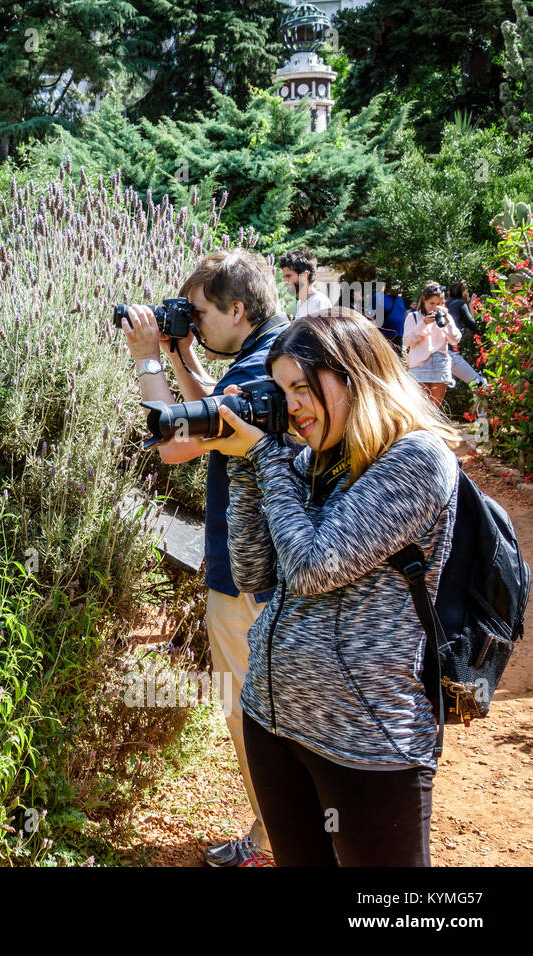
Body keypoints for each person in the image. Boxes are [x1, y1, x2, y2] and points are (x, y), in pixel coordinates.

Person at [205, 307, 460, 866]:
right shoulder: (312, 458)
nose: (290, 405)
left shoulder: (416, 459)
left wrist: (266, 460)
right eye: (281, 389)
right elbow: (255, 573)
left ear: (356, 376)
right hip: (274, 723)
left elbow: (313, 567)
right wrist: (248, 468)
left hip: (365, 740)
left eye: (302, 386)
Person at [120, 249, 290, 867]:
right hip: (282, 565)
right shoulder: (276, 353)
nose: (190, 322)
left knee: (251, 716)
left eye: (198, 313)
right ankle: (283, 833)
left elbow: (177, 444)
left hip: (249, 574)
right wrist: (184, 356)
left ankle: (277, 842)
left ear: (236, 308)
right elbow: (218, 418)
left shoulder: (261, 368)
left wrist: (147, 358)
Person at [404, 281, 463, 407]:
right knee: (421, 408)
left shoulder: (445, 317)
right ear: (424, 301)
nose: (434, 307)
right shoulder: (413, 317)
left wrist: (448, 323)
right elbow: (407, 342)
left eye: (438, 304)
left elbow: (455, 339)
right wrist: (423, 324)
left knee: (435, 409)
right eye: (431, 303)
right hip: (419, 366)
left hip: (440, 364)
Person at [445, 280, 487, 389]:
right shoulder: (460, 303)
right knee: (479, 383)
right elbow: (473, 325)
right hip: (450, 353)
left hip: (436, 352)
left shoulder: (444, 303)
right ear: (464, 292)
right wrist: (471, 306)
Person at [278, 248, 331, 319]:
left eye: (288, 276)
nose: (284, 282)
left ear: (304, 275)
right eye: (284, 277)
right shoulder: (299, 303)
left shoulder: (319, 302)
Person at [368, 284, 406, 352]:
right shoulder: (378, 296)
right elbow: (370, 314)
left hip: (398, 335)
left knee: (396, 359)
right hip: (383, 334)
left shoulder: (399, 299)